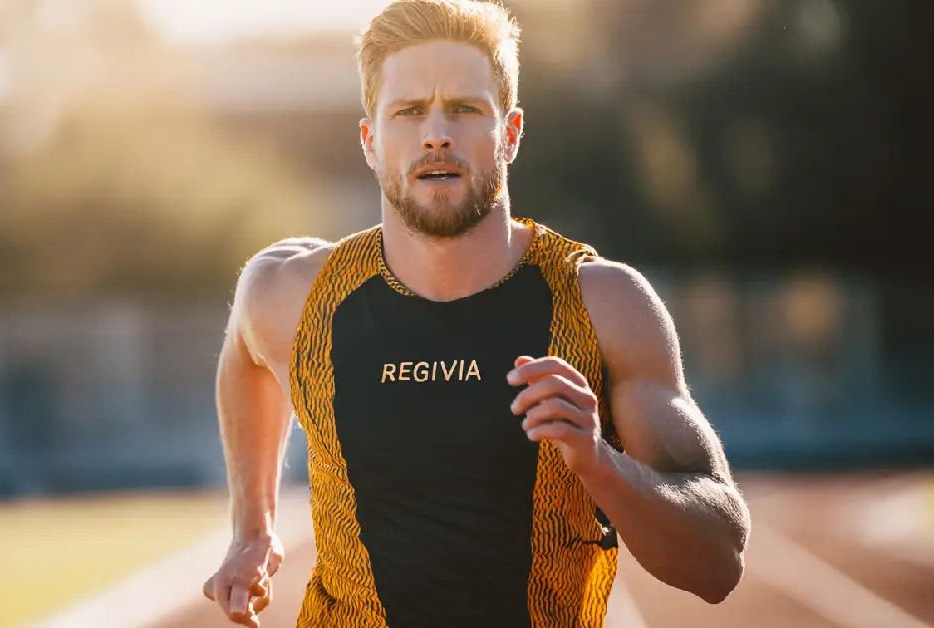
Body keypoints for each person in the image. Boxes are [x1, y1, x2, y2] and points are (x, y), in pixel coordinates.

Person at [202, 1, 751, 626]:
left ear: (510, 133)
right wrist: (252, 526)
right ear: (370, 141)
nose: (436, 134)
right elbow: (244, 346)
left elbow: (719, 563)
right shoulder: (296, 295)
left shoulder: (604, 305)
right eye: (409, 111)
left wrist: (602, 464)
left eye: (464, 109)